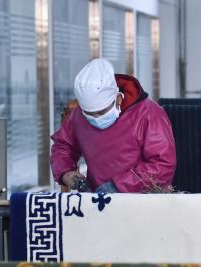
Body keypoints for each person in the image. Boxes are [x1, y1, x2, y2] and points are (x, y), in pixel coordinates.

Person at [51, 58, 176, 193]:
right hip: (96, 196)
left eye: (101, 112)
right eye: (89, 114)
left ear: (118, 98)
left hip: (143, 198)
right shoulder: (79, 115)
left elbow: (163, 164)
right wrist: (67, 173)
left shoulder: (148, 114)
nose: (95, 118)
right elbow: (63, 146)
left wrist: (118, 187)